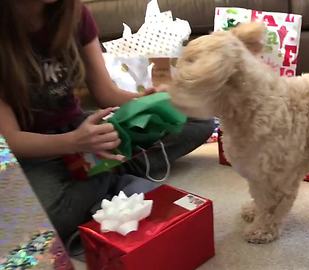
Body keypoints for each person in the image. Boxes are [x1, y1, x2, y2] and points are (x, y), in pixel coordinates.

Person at [0, 0, 214, 252]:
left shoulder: (75, 14)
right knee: (46, 223)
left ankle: (104, 169)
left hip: (85, 128)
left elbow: (105, 93)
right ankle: (112, 171)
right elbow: (11, 140)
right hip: (36, 150)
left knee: (198, 118)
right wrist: (74, 142)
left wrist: (148, 103)